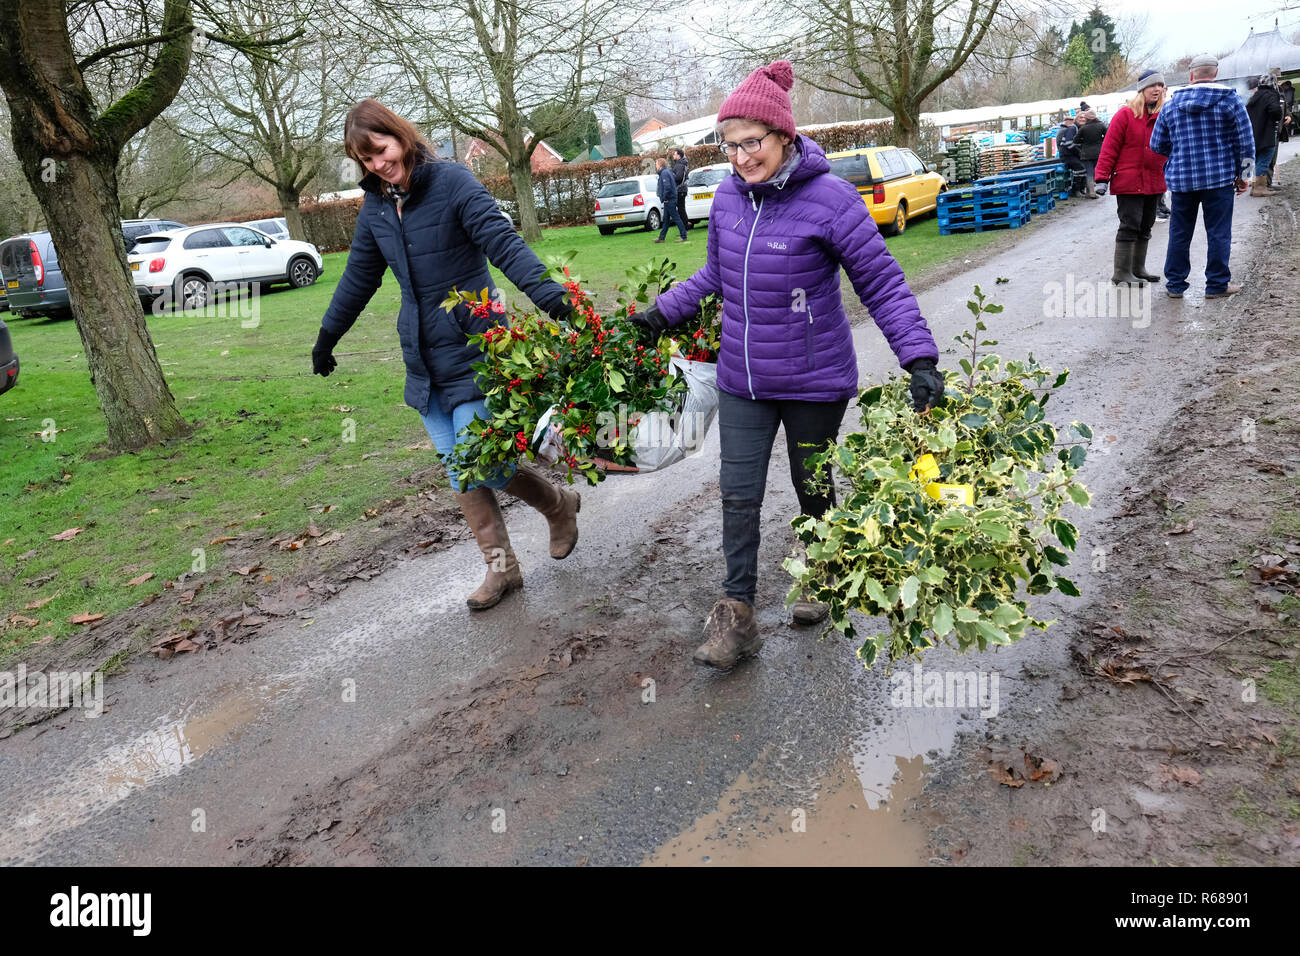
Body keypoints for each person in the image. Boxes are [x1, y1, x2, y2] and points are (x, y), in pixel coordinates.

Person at [627, 61, 943, 669]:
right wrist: (659, 315)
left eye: (754, 143)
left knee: (812, 485)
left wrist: (919, 356)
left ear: (786, 137)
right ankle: (737, 615)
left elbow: (880, 281)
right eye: (731, 145)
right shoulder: (726, 198)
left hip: (813, 379)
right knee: (737, 493)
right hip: (742, 376)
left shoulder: (831, 199)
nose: (742, 157)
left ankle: (824, 575)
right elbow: (717, 275)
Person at [310, 98, 581, 610]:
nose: (378, 165)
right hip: (423, 355)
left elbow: (504, 245)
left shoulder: (453, 182)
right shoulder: (375, 207)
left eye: (381, 150)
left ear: (400, 136)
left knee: (488, 462)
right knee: (462, 471)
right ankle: (502, 570)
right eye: (365, 160)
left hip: (478, 343)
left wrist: (552, 300)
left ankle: (559, 504)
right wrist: (327, 337)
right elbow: (358, 279)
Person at [1149, 54, 1254, 298]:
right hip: (1219, 180)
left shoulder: (1171, 105)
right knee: (1218, 232)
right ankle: (1217, 285)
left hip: (1182, 181)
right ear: (1215, 74)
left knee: (1179, 232)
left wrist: (1180, 154)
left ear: (1191, 75)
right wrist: (1244, 175)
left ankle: (1175, 285)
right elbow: (1246, 142)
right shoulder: (1230, 101)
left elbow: (1157, 144)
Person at [1094, 69, 1169, 285]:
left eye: (1160, 86)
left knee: (1146, 225)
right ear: (1142, 90)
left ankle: (1138, 268)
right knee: (1130, 224)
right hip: (1129, 181)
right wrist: (1101, 178)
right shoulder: (1125, 115)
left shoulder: (1163, 115)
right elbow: (1109, 148)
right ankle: (1121, 273)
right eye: (1152, 86)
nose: (1157, 89)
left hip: (1154, 181)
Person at [1246, 73, 1282, 196]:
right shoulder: (1270, 95)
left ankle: (1253, 186)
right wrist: (1277, 117)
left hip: (1254, 133)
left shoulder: (1255, 96)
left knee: (1255, 158)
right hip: (1267, 132)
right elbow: (1276, 110)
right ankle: (1259, 188)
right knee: (1264, 158)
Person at [653, 156, 689, 243]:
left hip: (669, 200)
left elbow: (667, 187)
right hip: (670, 199)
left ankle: (683, 236)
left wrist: (665, 198)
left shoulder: (664, 173)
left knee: (676, 218)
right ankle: (661, 238)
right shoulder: (667, 172)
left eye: (656, 164)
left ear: (660, 165)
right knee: (666, 220)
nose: (656, 166)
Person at [1074, 108, 1107, 198]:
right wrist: (1100, 141)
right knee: (1096, 171)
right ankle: (1093, 192)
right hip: (1098, 152)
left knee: (1089, 173)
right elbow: (1108, 136)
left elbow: (1075, 140)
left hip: (1086, 153)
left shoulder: (1084, 128)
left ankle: (1091, 192)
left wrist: (1084, 141)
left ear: (1087, 118)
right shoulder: (1101, 125)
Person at [1057, 114, 1086, 196]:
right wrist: (1079, 152)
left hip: (1071, 153)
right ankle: (1075, 191)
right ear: (1076, 119)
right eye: (1080, 117)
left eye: (1084, 118)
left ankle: (1080, 189)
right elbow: (1068, 143)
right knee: (1080, 168)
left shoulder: (1079, 129)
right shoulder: (1073, 128)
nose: (1082, 119)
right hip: (1067, 154)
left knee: (1083, 167)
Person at [670, 148, 692, 230]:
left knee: (681, 209)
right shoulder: (680, 164)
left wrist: (671, 177)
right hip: (682, 189)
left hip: (680, 189)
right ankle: (685, 225)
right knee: (681, 209)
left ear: (679, 156)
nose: (673, 155)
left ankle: (685, 226)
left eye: (674, 154)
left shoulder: (679, 165)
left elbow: (678, 178)